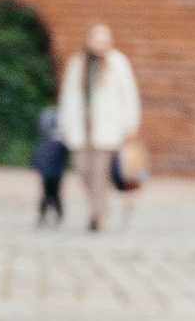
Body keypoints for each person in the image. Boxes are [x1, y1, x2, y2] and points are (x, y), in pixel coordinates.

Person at [55, 20, 142, 232]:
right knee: (83, 169)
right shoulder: (78, 62)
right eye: (95, 38)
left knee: (100, 173)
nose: (99, 43)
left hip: (107, 127)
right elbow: (67, 95)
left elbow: (129, 95)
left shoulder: (118, 62)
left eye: (103, 39)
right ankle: (98, 208)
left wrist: (131, 124)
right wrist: (63, 123)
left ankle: (97, 216)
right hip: (81, 126)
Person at [32, 102, 68, 227]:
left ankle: (51, 213)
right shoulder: (51, 115)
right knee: (49, 190)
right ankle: (51, 213)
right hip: (50, 161)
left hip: (55, 161)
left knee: (53, 190)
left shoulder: (52, 115)